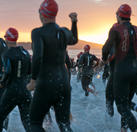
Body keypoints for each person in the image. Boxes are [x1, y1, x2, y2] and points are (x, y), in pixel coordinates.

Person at [102, 4, 137, 132]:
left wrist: (104, 59)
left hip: (120, 73)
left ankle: (133, 129)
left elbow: (105, 49)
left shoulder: (115, 30)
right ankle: (124, 128)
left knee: (121, 106)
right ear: (130, 16)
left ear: (118, 15)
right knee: (126, 103)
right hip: (136, 73)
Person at [26, 0, 78, 131]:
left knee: (34, 123)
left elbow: (38, 57)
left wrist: (33, 80)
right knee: (64, 124)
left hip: (46, 83)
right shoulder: (64, 32)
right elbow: (75, 39)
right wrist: (74, 22)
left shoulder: (38, 33)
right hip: (64, 83)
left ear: (42, 14)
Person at [0, 27, 32, 132]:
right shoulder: (25, 53)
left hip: (12, 91)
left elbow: (8, 71)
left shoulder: (7, 54)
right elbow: (30, 72)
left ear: (7, 38)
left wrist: (2, 83)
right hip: (25, 91)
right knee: (28, 122)